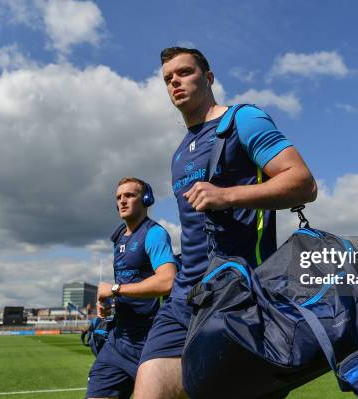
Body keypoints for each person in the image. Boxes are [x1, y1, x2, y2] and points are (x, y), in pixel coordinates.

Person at [133, 48, 317, 399]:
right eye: (168, 79)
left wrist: (226, 195)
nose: (175, 82)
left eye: (185, 72)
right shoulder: (178, 153)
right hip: (185, 295)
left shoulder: (241, 120)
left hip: (240, 294)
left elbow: (303, 183)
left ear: (209, 77)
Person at [86, 177, 177, 399]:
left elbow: (168, 281)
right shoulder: (118, 239)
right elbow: (132, 284)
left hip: (151, 344)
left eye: (130, 195)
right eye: (118, 197)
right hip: (119, 341)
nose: (122, 201)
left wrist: (115, 289)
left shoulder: (154, 234)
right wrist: (109, 304)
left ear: (146, 199)